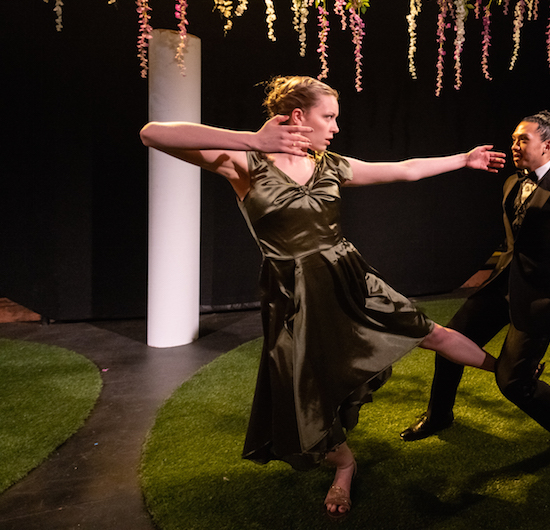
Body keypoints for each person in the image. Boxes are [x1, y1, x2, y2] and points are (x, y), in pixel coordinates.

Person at [139, 76, 505, 519]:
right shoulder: (244, 163)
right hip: (293, 294)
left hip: (347, 278)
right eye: (328, 117)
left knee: (429, 332)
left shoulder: (332, 165)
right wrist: (251, 138)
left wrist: (463, 159)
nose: (334, 127)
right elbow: (152, 133)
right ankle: (344, 466)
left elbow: (406, 168)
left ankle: (506, 372)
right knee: (308, 393)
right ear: (298, 117)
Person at [400, 110, 550, 470]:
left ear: (548, 145)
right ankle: (439, 415)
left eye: (523, 139)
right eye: (514, 139)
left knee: (513, 382)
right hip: (504, 283)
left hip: (542, 296)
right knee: (449, 342)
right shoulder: (511, 183)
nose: (515, 145)